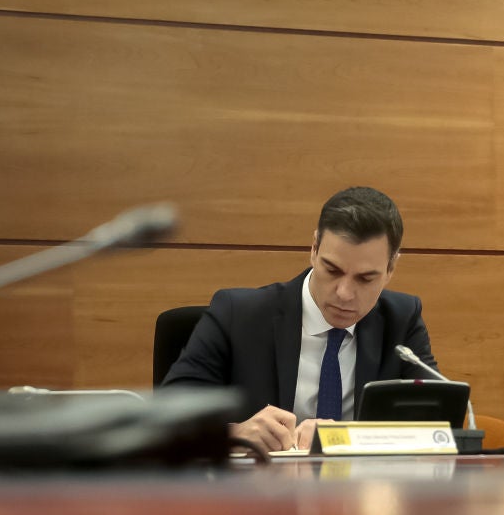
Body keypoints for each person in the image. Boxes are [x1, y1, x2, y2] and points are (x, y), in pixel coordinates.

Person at [162, 186, 440, 451]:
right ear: (314, 249)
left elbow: (436, 425)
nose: (344, 293)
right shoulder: (238, 314)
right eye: (332, 270)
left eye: (365, 278)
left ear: (391, 268)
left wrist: (343, 437)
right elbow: (166, 417)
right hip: (256, 493)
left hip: (359, 495)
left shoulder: (401, 319)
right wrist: (236, 433)